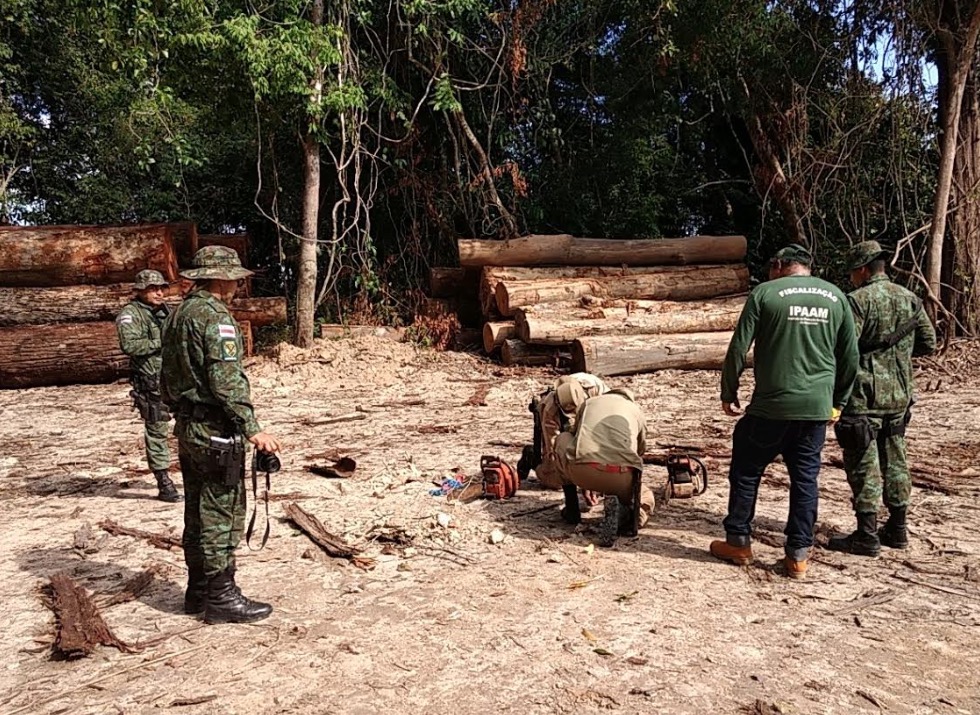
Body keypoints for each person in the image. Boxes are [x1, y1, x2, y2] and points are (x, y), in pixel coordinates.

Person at [712, 244, 859, 578]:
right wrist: (839, 402)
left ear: (778, 265)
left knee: (747, 471)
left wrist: (728, 391)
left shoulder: (765, 293)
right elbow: (850, 357)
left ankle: (738, 540)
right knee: (805, 479)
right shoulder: (836, 296)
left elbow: (739, 347)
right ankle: (798, 556)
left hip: (770, 406)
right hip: (815, 410)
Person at [161, 246, 281, 624]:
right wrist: (253, 429)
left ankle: (197, 591)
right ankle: (221, 596)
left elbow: (164, 376)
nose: (236, 284)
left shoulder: (177, 314)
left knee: (196, 510)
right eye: (233, 277)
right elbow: (226, 380)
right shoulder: (215, 318)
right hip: (215, 429)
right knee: (221, 511)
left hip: (188, 427)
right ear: (220, 277)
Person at [827, 240, 936, 557]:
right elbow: (928, 343)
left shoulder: (857, 301)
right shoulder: (911, 299)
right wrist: (898, 355)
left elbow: (845, 348)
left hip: (863, 396)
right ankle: (898, 529)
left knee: (863, 465)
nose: (851, 277)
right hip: (900, 396)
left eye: (852, 271)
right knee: (897, 461)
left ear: (862, 269)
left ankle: (866, 535)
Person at [554, 387, 654, 548]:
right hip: (621, 476)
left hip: (583, 471)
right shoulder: (636, 411)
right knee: (646, 496)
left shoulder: (589, 403)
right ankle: (627, 515)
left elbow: (575, 435)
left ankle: (572, 508)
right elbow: (640, 451)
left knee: (562, 438)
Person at [116, 269, 182, 503]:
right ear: (141, 290)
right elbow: (130, 345)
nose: (159, 292)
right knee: (157, 431)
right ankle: (163, 480)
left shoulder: (169, 312)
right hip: (151, 382)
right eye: (153, 288)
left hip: (176, 380)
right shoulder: (130, 314)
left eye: (162, 288)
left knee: (188, 425)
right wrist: (161, 342)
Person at [532, 373, 609, 489]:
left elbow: (612, 407)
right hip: (559, 426)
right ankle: (530, 459)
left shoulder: (594, 387)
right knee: (555, 481)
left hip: (592, 415)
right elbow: (552, 445)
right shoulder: (549, 409)